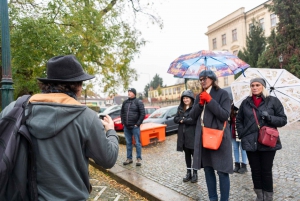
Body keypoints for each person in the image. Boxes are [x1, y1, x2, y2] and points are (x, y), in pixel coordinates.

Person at [0, 55, 119, 200]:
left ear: (47, 84)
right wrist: (111, 131)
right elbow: (108, 159)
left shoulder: (15, 109)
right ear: (78, 86)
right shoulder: (87, 118)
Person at [236, 78, 287, 201]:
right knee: (255, 170)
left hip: (267, 141)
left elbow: (283, 120)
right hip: (250, 141)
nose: (254, 87)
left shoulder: (273, 101)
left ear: (263, 86)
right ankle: (259, 196)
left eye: (257, 85)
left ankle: (268, 197)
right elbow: (239, 120)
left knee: (266, 170)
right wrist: (242, 133)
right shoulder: (245, 103)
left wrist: (269, 118)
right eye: (252, 85)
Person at [189, 70, 232, 201]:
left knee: (222, 171)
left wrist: (210, 100)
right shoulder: (198, 96)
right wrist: (200, 104)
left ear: (212, 79)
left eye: (205, 78)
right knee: (208, 170)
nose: (202, 81)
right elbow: (192, 116)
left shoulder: (223, 94)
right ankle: (212, 198)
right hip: (204, 138)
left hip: (219, 138)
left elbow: (225, 115)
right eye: (200, 79)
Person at [174, 90, 197, 183]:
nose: (185, 100)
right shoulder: (180, 108)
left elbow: (194, 120)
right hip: (183, 136)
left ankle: (195, 173)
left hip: (192, 135)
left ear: (191, 99)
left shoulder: (194, 108)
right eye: (184, 98)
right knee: (187, 155)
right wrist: (182, 119)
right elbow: (175, 119)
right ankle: (188, 173)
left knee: (194, 155)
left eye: (187, 98)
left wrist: (183, 120)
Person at [121, 88, 145, 166]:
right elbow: (122, 113)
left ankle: (138, 159)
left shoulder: (138, 102)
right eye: (128, 92)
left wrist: (137, 124)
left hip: (135, 127)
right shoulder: (125, 102)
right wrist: (123, 122)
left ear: (134, 93)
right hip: (126, 127)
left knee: (137, 143)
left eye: (130, 92)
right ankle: (129, 158)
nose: (129, 93)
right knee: (128, 143)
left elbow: (142, 114)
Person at [229, 103, 248, 174]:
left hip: (242, 130)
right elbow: (229, 118)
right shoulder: (232, 106)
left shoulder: (245, 105)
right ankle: (237, 164)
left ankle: (244, 165)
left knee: (243, 149)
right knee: (235, 148)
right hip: (233, 129)